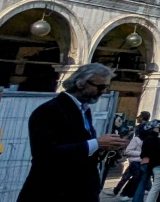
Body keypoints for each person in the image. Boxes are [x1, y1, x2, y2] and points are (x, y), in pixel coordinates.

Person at [17, 64, 129, 202]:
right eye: (100, 87)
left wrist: (104, 147)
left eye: (106, 87)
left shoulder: (83, 110)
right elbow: (47, 154)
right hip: (53, 192)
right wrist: (96, 143)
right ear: (81, 84)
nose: (104, 92)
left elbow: (77, 145)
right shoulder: (50, 110)